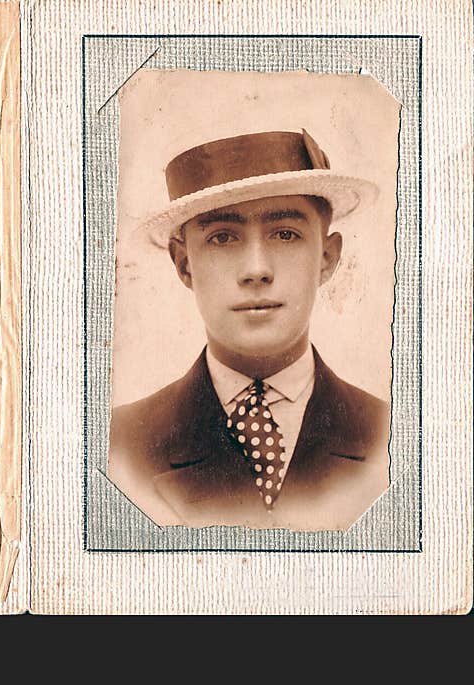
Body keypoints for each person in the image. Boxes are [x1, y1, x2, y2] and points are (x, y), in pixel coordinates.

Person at [107, 129, 390, 531]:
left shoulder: (392, 438)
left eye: (285, 234)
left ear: (327, 258)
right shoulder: (118, 446)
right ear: (184, 264)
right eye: (223, 237)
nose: (256, 269)